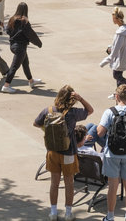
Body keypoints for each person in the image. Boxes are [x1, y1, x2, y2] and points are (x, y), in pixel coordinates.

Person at [34, 85, 94, 221]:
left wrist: (49, 131)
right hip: (69, 152)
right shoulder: (73, 113)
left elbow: (36, 123)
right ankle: (68, 213)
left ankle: (53, 213)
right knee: (69, 183)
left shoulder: (48, 110)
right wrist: (81, 98)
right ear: (71, 99)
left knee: (54, 183)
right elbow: (90, 110)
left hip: (52, 152)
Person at [96, 84, 126, 221]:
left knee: (113, 186)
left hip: (112, 154)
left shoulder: (109, 112)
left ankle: (110, 216)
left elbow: (100, 132)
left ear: (116, 97)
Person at [2, 2, 43, 93]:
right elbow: (30, 34)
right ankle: (6, 86)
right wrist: (39, 44)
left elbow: (7, 30)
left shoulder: (12, 19)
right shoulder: (24, 21)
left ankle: (31, 81)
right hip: (20, 47)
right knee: (14, 67)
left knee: (25, 63)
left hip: (13, 45)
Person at [99, 7, 126, 96]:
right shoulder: (124, 28)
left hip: (121, 58)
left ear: (117, 19)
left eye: (113, 18)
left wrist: (104, 62)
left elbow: (116, 50)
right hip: (122, 56)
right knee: (118, 76)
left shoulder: (120, 33)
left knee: (117, 75)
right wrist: (110, 47)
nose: (112, 20)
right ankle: (117, 93)